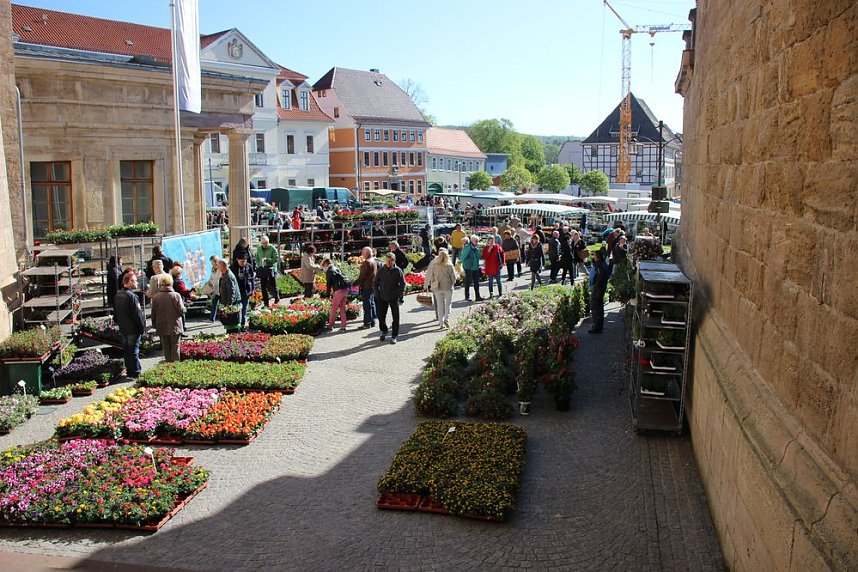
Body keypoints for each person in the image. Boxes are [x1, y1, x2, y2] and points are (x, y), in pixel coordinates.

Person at [114, 271, 145, 378]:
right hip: (133, 328)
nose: (137, 283)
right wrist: (142, 328)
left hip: (124, 327)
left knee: (127, 350)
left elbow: (116, 313)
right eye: (135, 281)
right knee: (134, 351)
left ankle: (129, 371)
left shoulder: (118, 294)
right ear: (130, 281)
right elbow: (138, 314)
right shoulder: (132, 296)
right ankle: (136, 371)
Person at [150, 273, 185, 362]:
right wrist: (185, 309)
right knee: (175, 346)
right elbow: (181, 310)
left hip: (161, 325)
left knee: (166, 347)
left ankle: (168, 365)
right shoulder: (176, 295)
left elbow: (153, 313)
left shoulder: (155, 297)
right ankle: (175, 367)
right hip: (175, 325)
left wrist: (154, 325)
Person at [374, 252, 405, 344]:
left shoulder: (398, 270)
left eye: (391, 261)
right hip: (382, 296)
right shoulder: (381, 270)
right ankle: (384, 330)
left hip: (393, 297)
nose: (389, 262)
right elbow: (375, 283)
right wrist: (377, 294)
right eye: (387, 260)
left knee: (396, 317)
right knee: (380, 316)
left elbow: (402, 283)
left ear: (394, 261)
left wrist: (398, 293)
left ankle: (394, 335)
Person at [425, 247, 456, 330]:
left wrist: (427, 285)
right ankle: (446, 319)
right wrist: (453, 283)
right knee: (448, 304)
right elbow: (454, 277)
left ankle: (441, 323)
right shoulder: (450, 265)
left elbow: (430, 275)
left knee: (439, 305)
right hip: (448, 287)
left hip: (437, 287)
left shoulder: (434, 264)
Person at [321, 258, 351, 332]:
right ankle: (343, 327)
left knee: (333, 309)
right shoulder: (336, 268)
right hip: (345, 289)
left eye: (323, 266)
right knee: (342, 308)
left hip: (338, 290)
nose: (323, 268)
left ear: (325, 264)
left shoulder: (329, 271)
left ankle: (330, 326)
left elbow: (328, 285)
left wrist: (327, 295)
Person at [230, 253, 256, 330]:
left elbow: (251, 279)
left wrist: (252, 289)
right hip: (236, 292)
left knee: (244, 309)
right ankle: (236, 325)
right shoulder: (232, 268)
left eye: (244, 261)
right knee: (237, 310)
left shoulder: (249, 266)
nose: (243, 263)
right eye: (241, 261)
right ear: (237, 260)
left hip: (246, 290)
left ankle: (242, 326)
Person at [588, 248, 610, 334]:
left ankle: (596, 327)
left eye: (594, 255)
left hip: (598, 289)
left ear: (597, 257)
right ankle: (598, 326)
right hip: (600, 288)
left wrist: (596, 285)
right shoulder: (603, 264)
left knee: (596, 307)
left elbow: (599, 277)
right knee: (598, 307)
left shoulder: (599, 265)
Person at [255, 235, 280, 307]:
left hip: (271, 269)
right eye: (263, 243)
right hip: (263, 269)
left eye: (266, 243)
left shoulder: (272, 248)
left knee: (273, 284)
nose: (265, 245)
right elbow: (257, 258)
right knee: (263, 286)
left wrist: (267, 260)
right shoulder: (259, 248)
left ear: (268, 242)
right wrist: (259, 264)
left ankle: (276, 299)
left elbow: (276, 259)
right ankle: (266, 302)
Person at [357, 246, 378, 329]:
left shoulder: (367, 262)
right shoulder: (374, 261)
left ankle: (367, 323)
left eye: (362, 252)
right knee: (372, 303)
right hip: (372, 285)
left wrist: (354, 283)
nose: (361, 253)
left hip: (366, 286)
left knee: (367, 305)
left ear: (366, 253)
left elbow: (362, 276)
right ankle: (372, 321)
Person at [460, 235, 484, 302]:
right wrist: (460, 264)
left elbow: (478, 256)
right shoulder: (468, 247)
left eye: (477, 241)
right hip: (468, 267)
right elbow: (462, 257)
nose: (477, 242)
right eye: (476, 241)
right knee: (468, 281)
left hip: (475, 267)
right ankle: (467, 296)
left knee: (476, 282)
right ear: (472, 241)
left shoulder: (475, 247)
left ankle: (478, 296)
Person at [201, 255, 222, 321]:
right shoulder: (213, 268)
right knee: (214, 303)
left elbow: (219, 278)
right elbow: (212, 276)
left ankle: (223, 318)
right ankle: (212, 318)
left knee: (222, 304)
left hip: (220, 289)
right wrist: (208, 282)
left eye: (212, 262)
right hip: (214, 289)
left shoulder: (220, 268)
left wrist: (212, 282)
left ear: (215, 261)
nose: (211, 263)